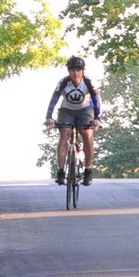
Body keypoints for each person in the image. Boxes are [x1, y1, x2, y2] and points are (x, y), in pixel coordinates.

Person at [44, 56, 101, 186]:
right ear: (68, 71)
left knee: (87, 134)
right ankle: (60, 171)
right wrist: (49, 117)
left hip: (85, 110)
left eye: (78, 70)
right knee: (64, 133)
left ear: (83, 71)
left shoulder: (88, 82)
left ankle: (88, 170)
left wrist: (97, 119)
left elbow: (97, 101)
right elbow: (54, 99)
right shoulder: (63, 82)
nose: (75, 73)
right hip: (67, 110)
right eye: (72, 70)